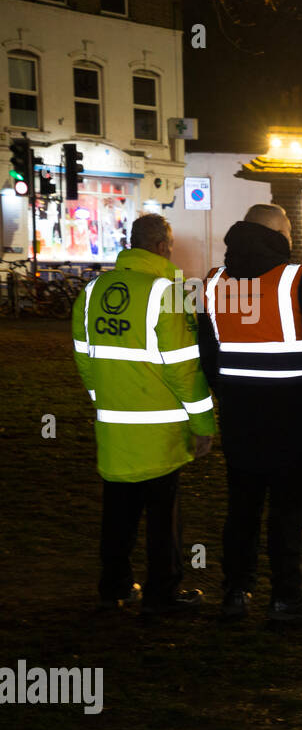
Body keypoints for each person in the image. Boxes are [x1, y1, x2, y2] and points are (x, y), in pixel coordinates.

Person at [198, 204, 302, 622]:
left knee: (242, 503)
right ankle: (287, 595)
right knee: (288, 507)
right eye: (288, 228)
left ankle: (235, 591)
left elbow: (207, 351)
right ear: (278, 233)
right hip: (294, 414)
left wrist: (227, 388)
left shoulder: (212, 282)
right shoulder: (297, 279)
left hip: (239, 412)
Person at [72, 213, 212, 614]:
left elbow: (84, 359)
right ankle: (161, 592)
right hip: (161, 428)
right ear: (164, 245)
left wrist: (105, 401)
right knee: (162, 516)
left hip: (115, 425)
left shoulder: (94, 289)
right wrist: (203, 423)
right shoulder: (169, 292)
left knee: (117, 511)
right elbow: (185, 368)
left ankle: (114, 585)